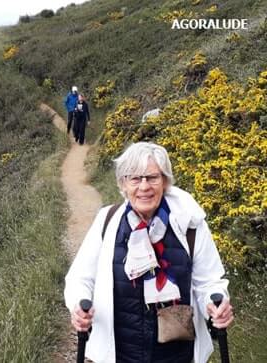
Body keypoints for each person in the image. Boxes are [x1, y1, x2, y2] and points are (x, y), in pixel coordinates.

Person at [64, 142, 234, 363]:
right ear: (123, 184)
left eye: (152, 178)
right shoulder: (107, 222)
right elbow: (80, 278)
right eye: (135, 178)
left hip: (178, 355)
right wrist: (79, 304)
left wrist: (216, 305)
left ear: (164, 182)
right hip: (122, 354)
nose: (144, 187)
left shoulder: (189, 224)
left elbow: (209, 282)